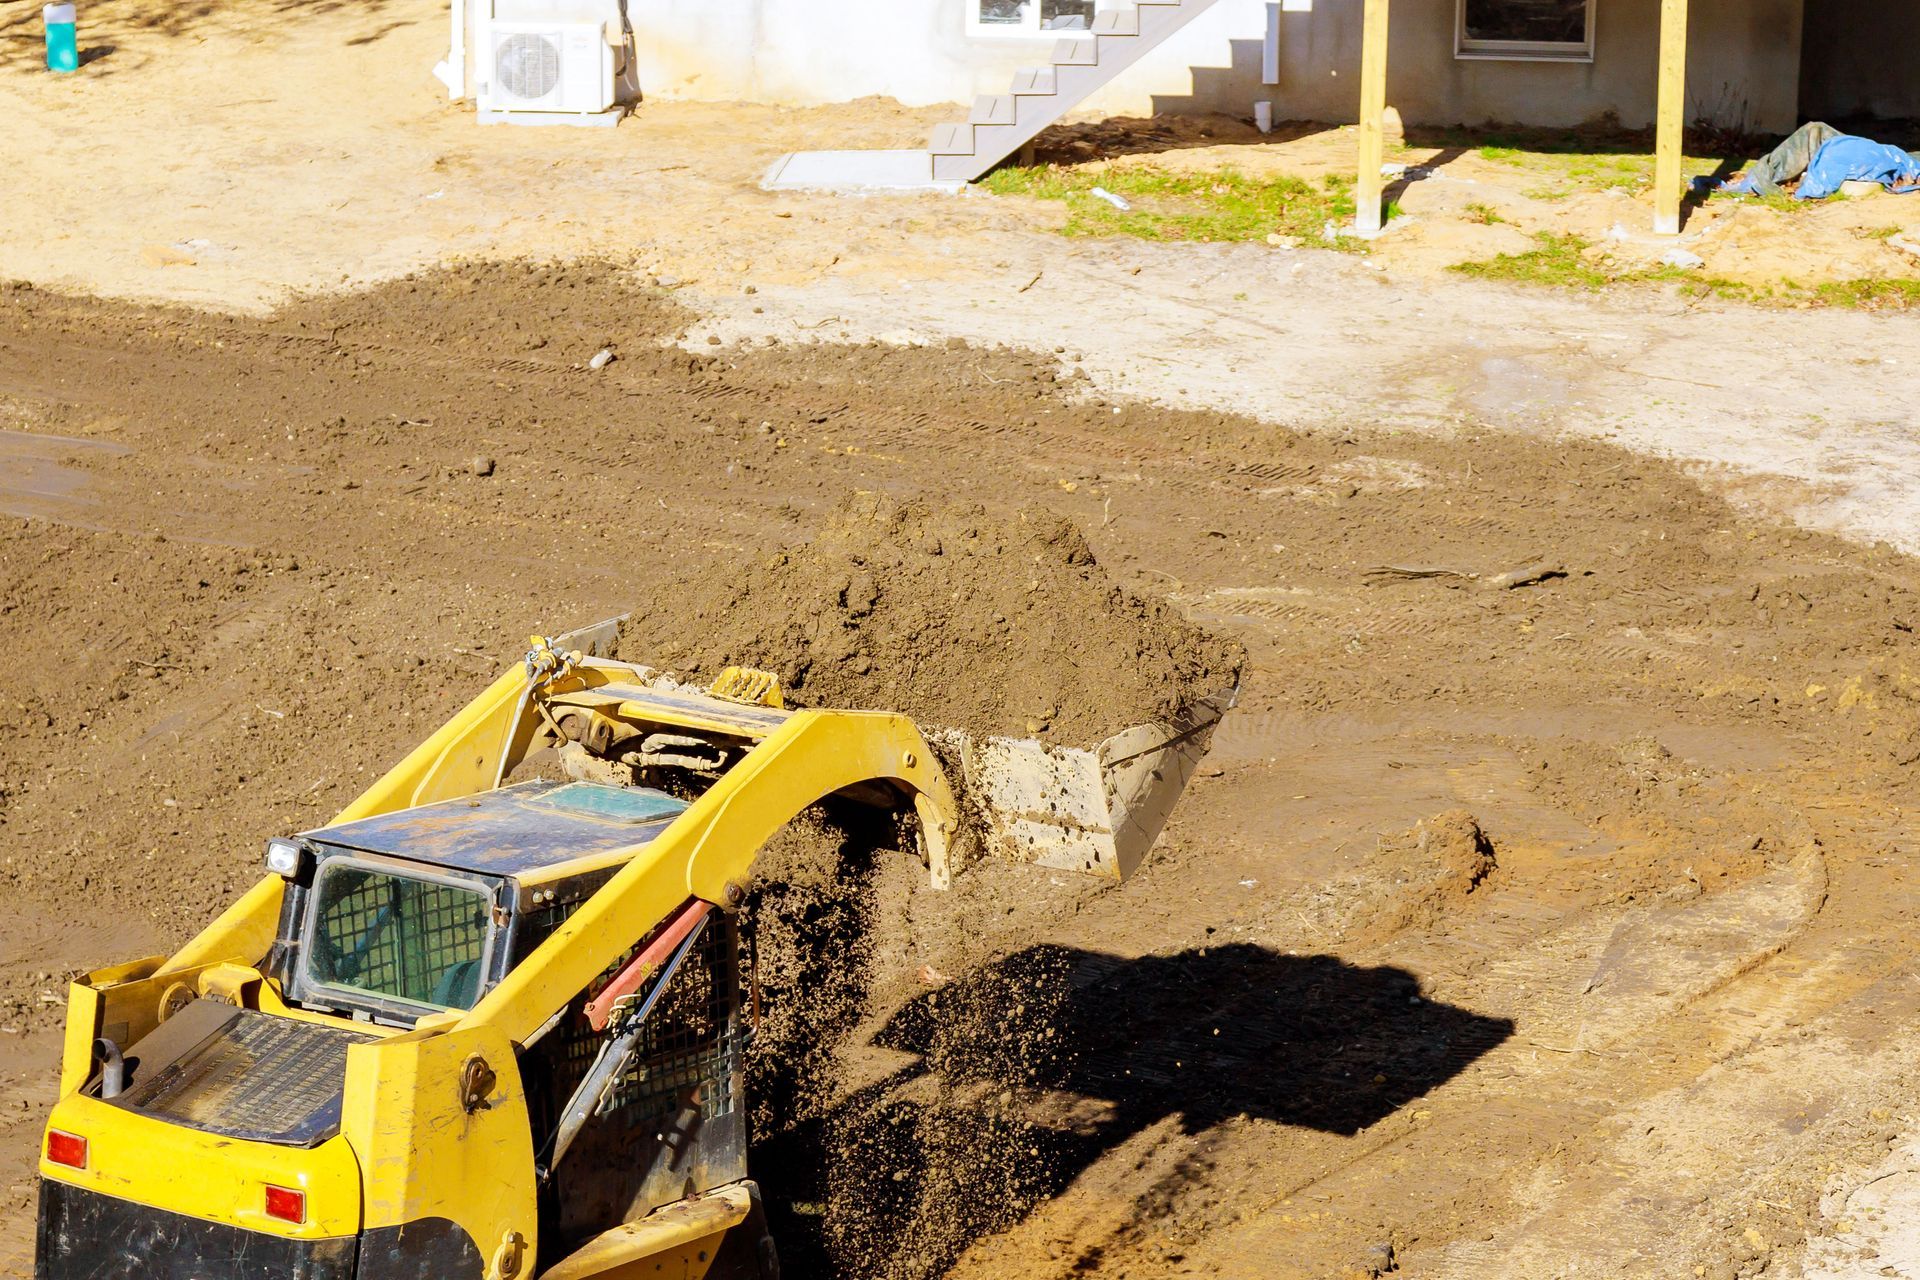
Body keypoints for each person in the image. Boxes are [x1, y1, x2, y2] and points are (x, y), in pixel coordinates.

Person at [1717, 121, 1920, 200]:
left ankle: (1761, 179)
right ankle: (1763, 177)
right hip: (1874, 152)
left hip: (1874, 157)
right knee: (1816, 131)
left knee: (1816, 134)